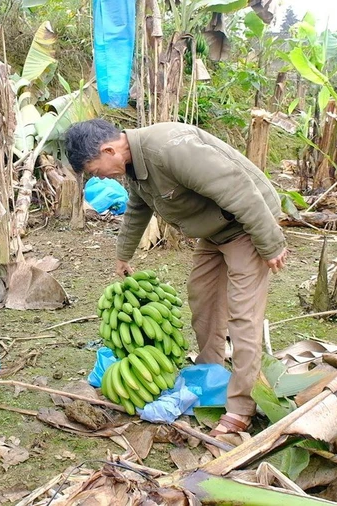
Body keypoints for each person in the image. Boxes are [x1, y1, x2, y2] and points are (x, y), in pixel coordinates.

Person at [65, 119, 288, 438]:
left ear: (109, 150)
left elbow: (239, 189)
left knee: (243, 316)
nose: (100, 177)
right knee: (203, 299)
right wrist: (123, 255)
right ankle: (211, 374)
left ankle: (241, 408)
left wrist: (270, 243)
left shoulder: (170, 149)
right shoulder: (135, 169)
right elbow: (137, 208)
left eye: (97, 170)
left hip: (247, 226)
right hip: (215, 231)